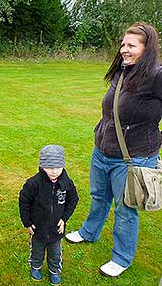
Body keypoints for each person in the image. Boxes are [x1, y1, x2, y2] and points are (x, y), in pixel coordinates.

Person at [65, 23, 162, 277]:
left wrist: (153, 137)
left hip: (133, 158)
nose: (124, 50)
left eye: (131, 46)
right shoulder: (123, 71)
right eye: (123, 44)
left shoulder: (156, 75)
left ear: (147, 48)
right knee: (98, 196)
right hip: (103, 151)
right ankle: (89, 232)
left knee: (125, 209)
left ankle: (121, 257)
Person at [19, 145, 78, 285]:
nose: (54, 171)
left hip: (56, 230)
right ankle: (36, 267)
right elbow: (24, 202)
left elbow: (73, 199)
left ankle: (54, 270)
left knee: (55, 253)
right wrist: (27, 223)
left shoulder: (66, 183)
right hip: (37, 228)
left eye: (58, 167)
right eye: (50, 167)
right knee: (37, 251)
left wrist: (64, 219)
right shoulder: (33, 184)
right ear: (42, 166)